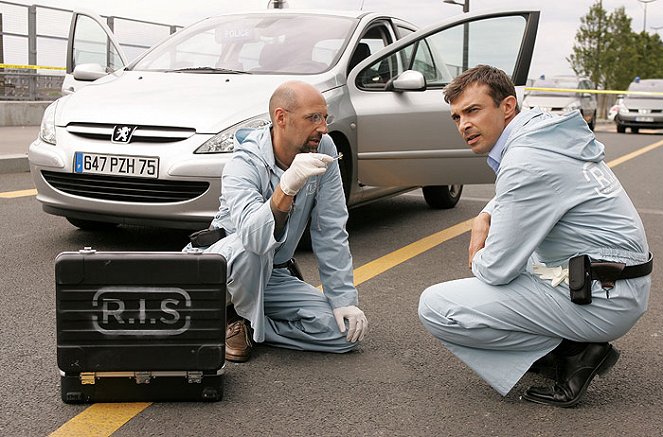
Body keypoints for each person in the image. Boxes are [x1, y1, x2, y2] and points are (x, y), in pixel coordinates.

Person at [418, 65, 652, 407]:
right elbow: (527, 192)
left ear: (508, 106)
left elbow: (497, 269)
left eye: (473, 110)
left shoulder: (526, 160)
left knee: (437, 307)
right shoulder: (545, 135)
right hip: (613, 282)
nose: (464, 124)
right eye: (456, 117)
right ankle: (569, 346)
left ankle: (573, 352)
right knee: (525, 252)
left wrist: (477, 255)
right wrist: (485, 214)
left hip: (601, 297)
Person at [187, 80, 367, 362]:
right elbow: (254, 239)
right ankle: (230, 313)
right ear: (281, 118)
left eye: (324, 117)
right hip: (223, 268)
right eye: (313, 118)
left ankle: (240, 325)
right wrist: (287, 187)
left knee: (343, 334)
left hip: (272, 273)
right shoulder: (243, 162)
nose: (323, 127)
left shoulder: (325, 147)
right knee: (252, 247)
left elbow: (330, 229)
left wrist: (344, 300)